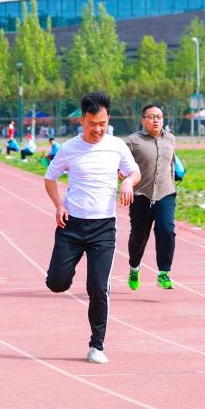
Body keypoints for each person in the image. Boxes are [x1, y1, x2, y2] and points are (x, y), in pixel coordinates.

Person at [44, 93, 141, 364]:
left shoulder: (116, 146)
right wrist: (58, 205)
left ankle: (96, 345)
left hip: (103, 228)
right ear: (82, 121)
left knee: (98, 288)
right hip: (71, 225)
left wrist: (127, 182)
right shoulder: (69, 148)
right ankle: (61, 271)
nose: (97, 129)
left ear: (108, 120)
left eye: (102, 123)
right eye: (92, 124)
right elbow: (50, 178)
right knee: (57, 283)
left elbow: (134, 172)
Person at [120, 103, 176, 292]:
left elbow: (171, 164)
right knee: (139, 236)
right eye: (151, 117)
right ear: (143, 120)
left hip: (165, 193)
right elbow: (119, 160)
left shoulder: (170, 139)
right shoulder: (133, 140)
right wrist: (121, 173)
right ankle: (134, 267)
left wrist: (172, 182)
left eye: (159, 117)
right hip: (141, 196)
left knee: (166, 230)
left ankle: (164, 273)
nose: (156, 120)